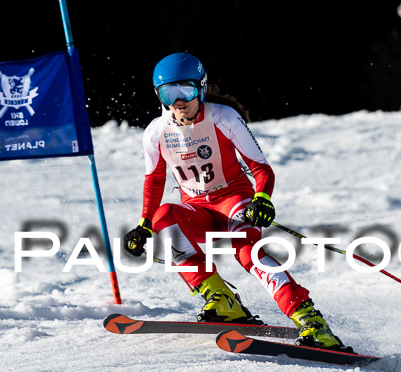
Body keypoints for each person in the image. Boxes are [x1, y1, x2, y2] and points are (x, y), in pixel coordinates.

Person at [123, 52, 346, 350]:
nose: (178, 101)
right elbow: (154, 180)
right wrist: (143, 225)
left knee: (247, 253)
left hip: (233, 201)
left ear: (200, 88)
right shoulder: (156, 132)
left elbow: (261, 167)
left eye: (186, 90)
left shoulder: (223, 117)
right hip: (197, 209)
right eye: (169, 93)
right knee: (164, 218)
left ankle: (310, 320)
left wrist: (262, 198)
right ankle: (222, 300)